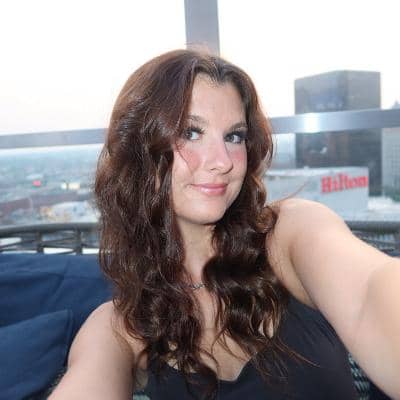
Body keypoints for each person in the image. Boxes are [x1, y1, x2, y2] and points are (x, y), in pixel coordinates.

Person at [49, 49, 400, 400]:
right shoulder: (121, 326)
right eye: (190, 132)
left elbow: (370, 291)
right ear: (138, 150)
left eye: (234, 137)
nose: (222, 162)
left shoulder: (291, 233)